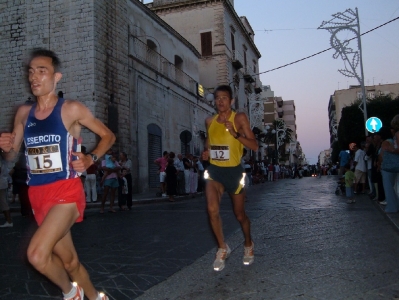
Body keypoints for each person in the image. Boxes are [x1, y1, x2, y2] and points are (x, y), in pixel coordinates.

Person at [0, 49, 114, 299]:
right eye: (31, 72)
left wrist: (90, 158)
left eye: (42, 71)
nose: (34, 77)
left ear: (56, 77)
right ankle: (96, 297)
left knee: (37, 255)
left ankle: (71, 293)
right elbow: (11, 156)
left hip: (66, 192)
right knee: (70, 262)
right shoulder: (23, 113)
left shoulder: (71, 109)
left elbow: (108, 136)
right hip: (38, 196)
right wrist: (6, 147)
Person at [202, 85, 258, 271]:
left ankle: (248, 244)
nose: (220, 101)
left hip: (234, 172)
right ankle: (222, 247)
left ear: (231, 100)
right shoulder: (210, 121)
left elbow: (254, 146)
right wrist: (206, 153)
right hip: (215, 171)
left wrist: (235, 134)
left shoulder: (239, 118)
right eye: (217, 98)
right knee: (211, 209)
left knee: (240, 215)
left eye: (224, 98)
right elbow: (209, 144)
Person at [0, 156, 13, 227]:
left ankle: (9, 221)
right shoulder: (3, 159)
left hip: (1, 183)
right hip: (3, 181)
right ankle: (9, 221)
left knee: (3, 203)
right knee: (3, 202)